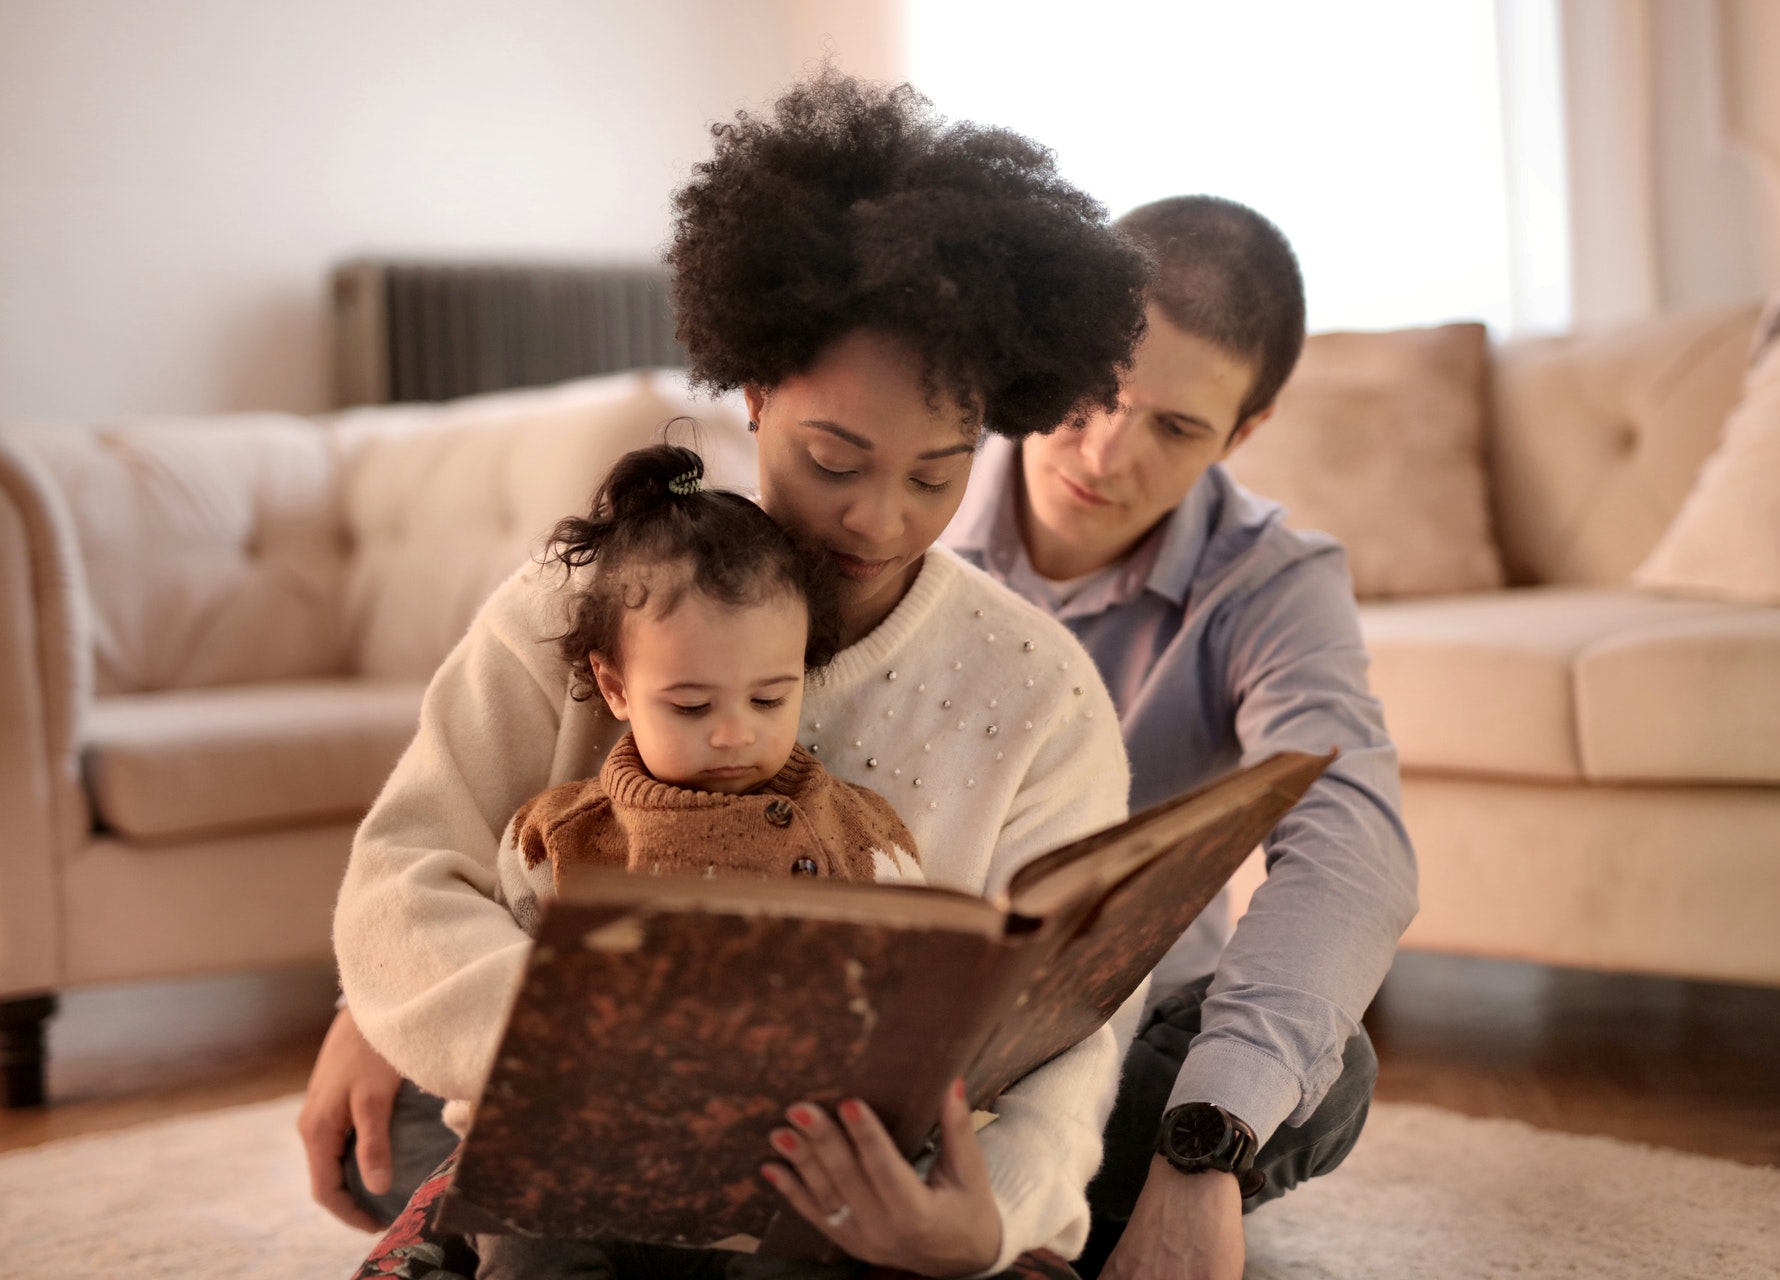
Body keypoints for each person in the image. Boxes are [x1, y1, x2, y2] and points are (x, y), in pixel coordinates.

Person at [309, 70, 1154, 1279]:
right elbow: (402, 877)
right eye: (834, 456)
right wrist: (572, 1056)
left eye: (936, 474)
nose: (878, 519)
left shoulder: (1039, 687)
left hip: (867, 1183)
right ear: (754, 392)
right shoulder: (575, 608)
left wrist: (998, 1214)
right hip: (573, 1128)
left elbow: (1074, 1017)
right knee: (385, 1128)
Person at [942, 195, 1420, 1280]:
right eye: (1098, 390)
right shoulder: (906, 488)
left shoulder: (1269, 578)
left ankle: (1044, 1205)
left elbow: (1357, 846)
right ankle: (1011, 1219)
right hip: (888, 1031)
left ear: (1242, 435)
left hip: (1113, 1046)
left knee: (1324, 1066)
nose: (1105, 455)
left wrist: (1201, 1146)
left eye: (1176, 428)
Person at [477, 442, 925, 1279]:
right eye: (690, 705)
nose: (733, 732)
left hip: (772, 1164)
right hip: (600, 1153)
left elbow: (916, 980)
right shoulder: (560, 837)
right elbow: (506, 989)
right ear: (613, 688)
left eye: (769, 698)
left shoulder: (858, 832)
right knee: (518, 1215)